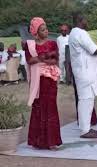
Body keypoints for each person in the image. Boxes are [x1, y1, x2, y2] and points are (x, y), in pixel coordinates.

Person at [25, 17, 62, 149]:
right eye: (43, 29)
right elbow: (30, 60)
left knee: (50, 108)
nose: (46, 31)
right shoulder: (30, 45)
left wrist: (42, 59)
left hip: (50, 80)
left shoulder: (52, 43)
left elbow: (55, 59)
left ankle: (51, 141)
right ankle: (37, 141)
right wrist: (44, 58)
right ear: (36, 32)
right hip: (38, 81)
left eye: (46, 28)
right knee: (38, 107)